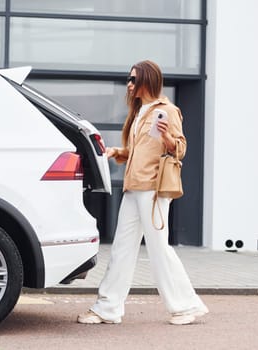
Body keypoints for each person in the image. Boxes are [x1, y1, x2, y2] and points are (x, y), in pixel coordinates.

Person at [77, 60, 208, 326]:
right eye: (129, 79)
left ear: (148, 80)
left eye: (133, 79)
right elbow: (139, 151)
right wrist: (119, 152)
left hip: (154, 191)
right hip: (134, 188)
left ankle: (185, 306)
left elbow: (180, 149)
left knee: (159, 249)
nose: (129, 84)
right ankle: (108, 308)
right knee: (122, 249)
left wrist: (168, 139)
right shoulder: (138, 112)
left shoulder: (167, 111)